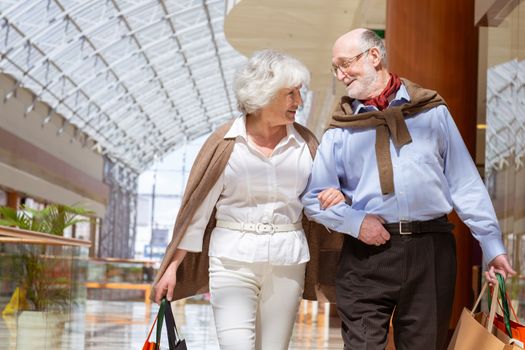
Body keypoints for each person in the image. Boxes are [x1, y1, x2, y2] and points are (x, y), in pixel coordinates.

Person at [301, 28, 516, 350]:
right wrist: (356, 222)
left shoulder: (431, 112)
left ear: (374, 56)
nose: (341, 75)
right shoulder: (340, 129)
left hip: (431, 250)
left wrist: (491, 244)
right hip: (366, 252)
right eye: (336, 68)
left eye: (345, 64)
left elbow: (464, 182)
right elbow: (314, 198)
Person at [152, 49, 344, 350]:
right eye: (290, 94)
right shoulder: (225, 143)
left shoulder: (305, 143)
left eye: (299, 93)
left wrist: (333, 196)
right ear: (263, 94)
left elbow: (319, 200)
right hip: (231, 261)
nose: (299, 102)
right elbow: (197, 213)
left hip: (287, 261)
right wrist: (173, 266)